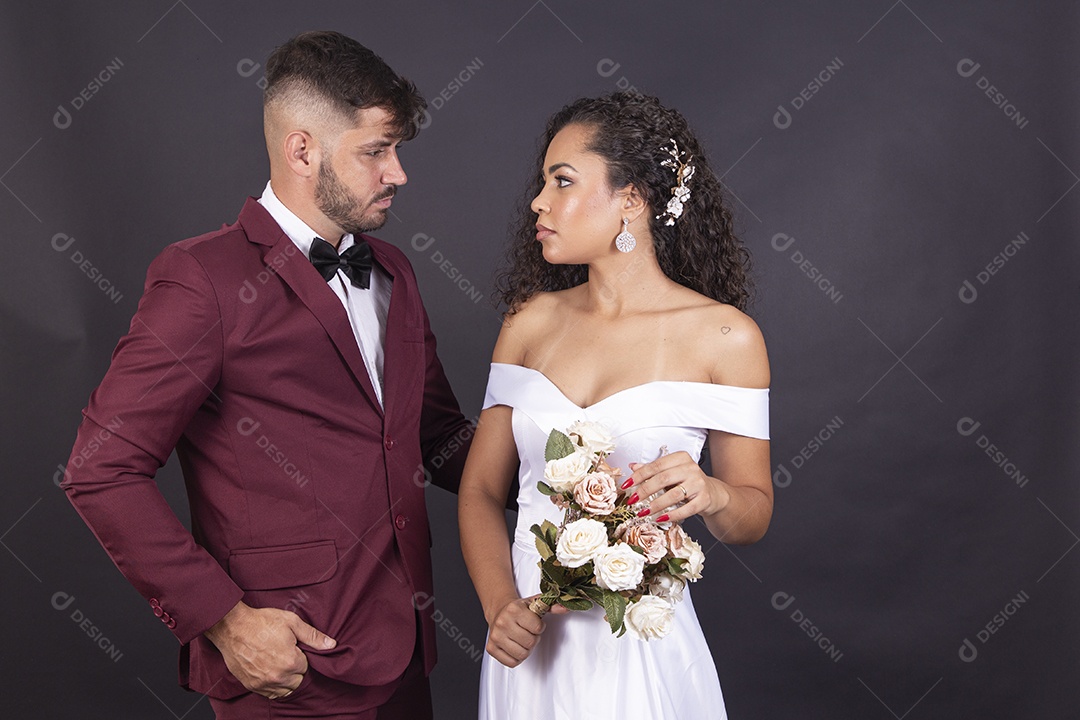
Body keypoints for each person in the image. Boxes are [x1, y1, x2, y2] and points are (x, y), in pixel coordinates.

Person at [61, 30, 471, 720]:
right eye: (376, 151)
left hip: (406, 654)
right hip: (287, 669)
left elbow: (439, 438)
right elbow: (99, 469)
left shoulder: (395, 271)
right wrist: (223, 620)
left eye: (396, 150)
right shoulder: (203, 278)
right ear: (302, 149)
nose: (398, 173)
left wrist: (578, 475)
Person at [458, 92, 772, 719]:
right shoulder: (529, 323)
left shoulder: (727, 338)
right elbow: (481, 493)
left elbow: (753, 514)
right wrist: (500, 607)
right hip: (530, 650)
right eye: (544, 181)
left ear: (632, 198)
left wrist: (712, 494)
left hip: (640, 648)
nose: (539, 202)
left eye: (563, 181)